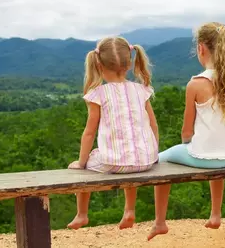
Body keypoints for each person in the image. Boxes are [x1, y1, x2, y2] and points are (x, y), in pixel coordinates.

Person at [148, 22, 225, 240]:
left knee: (158, 160)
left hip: (204, 156)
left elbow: (186, 131)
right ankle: (216, 214)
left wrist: (187, 143)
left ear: (201, 48)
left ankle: (160, 222)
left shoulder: (196, 84)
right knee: (213, 148)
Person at [67, 37, 159, 230]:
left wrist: (81, 162)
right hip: (146, 161)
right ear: (129, 64)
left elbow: (89, 132)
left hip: (114, 163)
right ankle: (130, 210)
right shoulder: (141, 90)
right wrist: (154, 155)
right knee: (130, 152)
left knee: (87, 164)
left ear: (98, 64)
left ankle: (82, 214)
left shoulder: (98, 93)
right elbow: (153, 124)